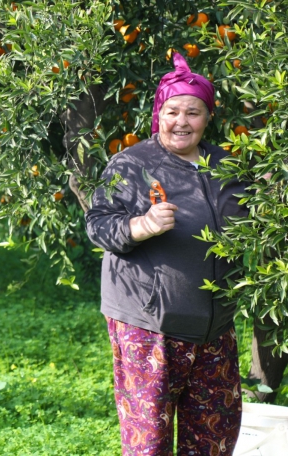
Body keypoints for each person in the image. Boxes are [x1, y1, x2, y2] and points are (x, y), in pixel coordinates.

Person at [85, 53, 248, 455]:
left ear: (208, 117)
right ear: (159, 112)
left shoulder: (227, 168)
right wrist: (142, 226)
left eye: (193, 112)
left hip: (215, 332)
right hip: (150, 328)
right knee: (149, 444)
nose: (181, 122)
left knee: (214, 440)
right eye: (173, 111)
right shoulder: (131, 164)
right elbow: (98, 225)